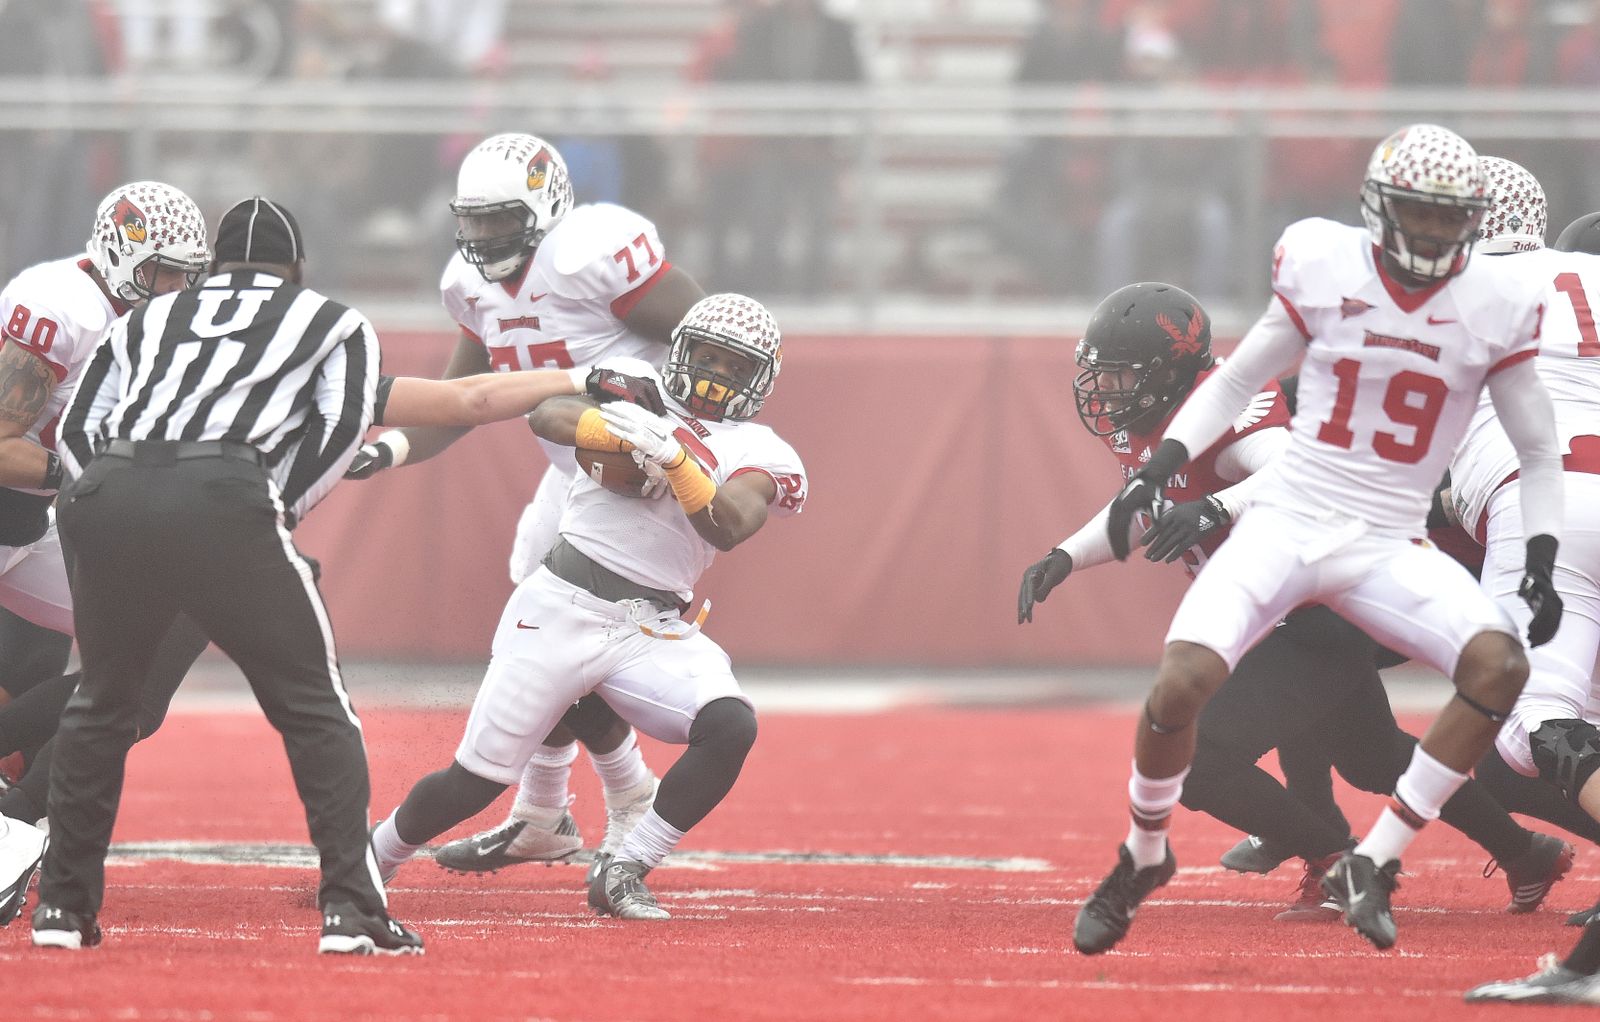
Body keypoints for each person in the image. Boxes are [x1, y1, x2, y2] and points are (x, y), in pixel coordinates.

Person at [1072, 123, 1563, 954]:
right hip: (1293, 522)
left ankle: (1364, 859)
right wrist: (1162, 470)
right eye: (1418, 213)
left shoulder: (1501, 303)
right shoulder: (1322, 262)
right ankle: (1148, 854)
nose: (1432, 234)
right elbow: (1236, 379)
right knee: (1204, 689)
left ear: (1474, 221)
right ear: (1378, 209)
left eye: (1449, 217)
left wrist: (1541, 556)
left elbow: (1539, 448)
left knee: (1494, 670)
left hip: (1386, 538)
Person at [370, 292, 806, 921]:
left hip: (649, 627)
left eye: (735, 367)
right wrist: (613, 431)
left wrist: (676, 461)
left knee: (730, 725)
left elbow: (731, 524)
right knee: (475, 783)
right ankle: (372, 857)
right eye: (708, 356)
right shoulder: (640, 383)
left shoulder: (764, 449)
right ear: (681, 349)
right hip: (560, 606)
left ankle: (628, 866)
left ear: (761, 379)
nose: (716, 375)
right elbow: (549, 415)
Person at [349, 132, 705, 880]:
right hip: (573, 476)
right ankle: (546, 815)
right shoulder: (469, 286)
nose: (482, 237)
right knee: (535, 633)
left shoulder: (591, 255)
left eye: (498, 219)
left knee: (558, 642)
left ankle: (617, 796)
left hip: (640, 477)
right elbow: (462, 400)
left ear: (544, 209)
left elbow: (705, 343)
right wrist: (390, 449)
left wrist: (671, 439)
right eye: (472, 221)